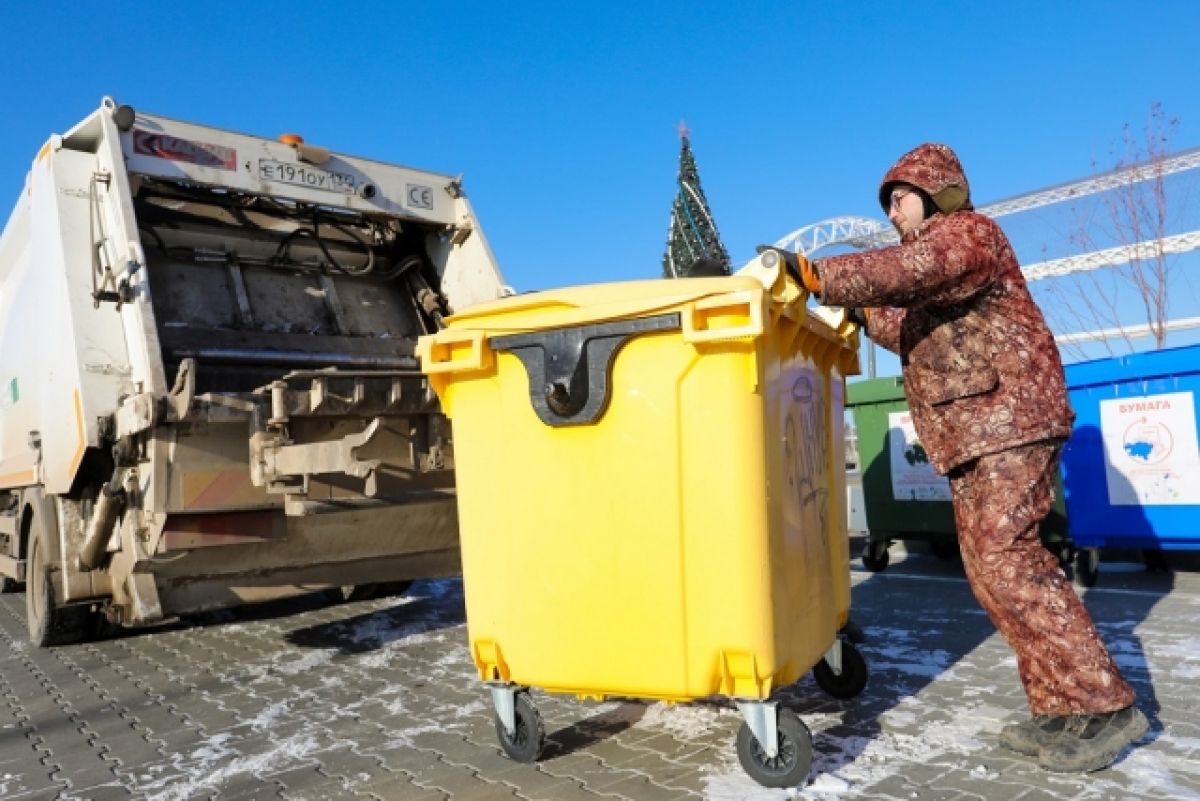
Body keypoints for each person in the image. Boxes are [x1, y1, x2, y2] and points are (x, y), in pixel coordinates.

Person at [792, 143, 1148, 773]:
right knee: (992, 575)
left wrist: (821, 276)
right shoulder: (936, 264)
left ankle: (1107, 705)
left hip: (1010, 420)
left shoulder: (968, 235)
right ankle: (1061, 707)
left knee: (1012, 565)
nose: (893, 213)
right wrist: (854, 306)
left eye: (898, 198)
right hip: (976, 434)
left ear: (933, 190)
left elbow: (915, 269)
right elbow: (906, 324)